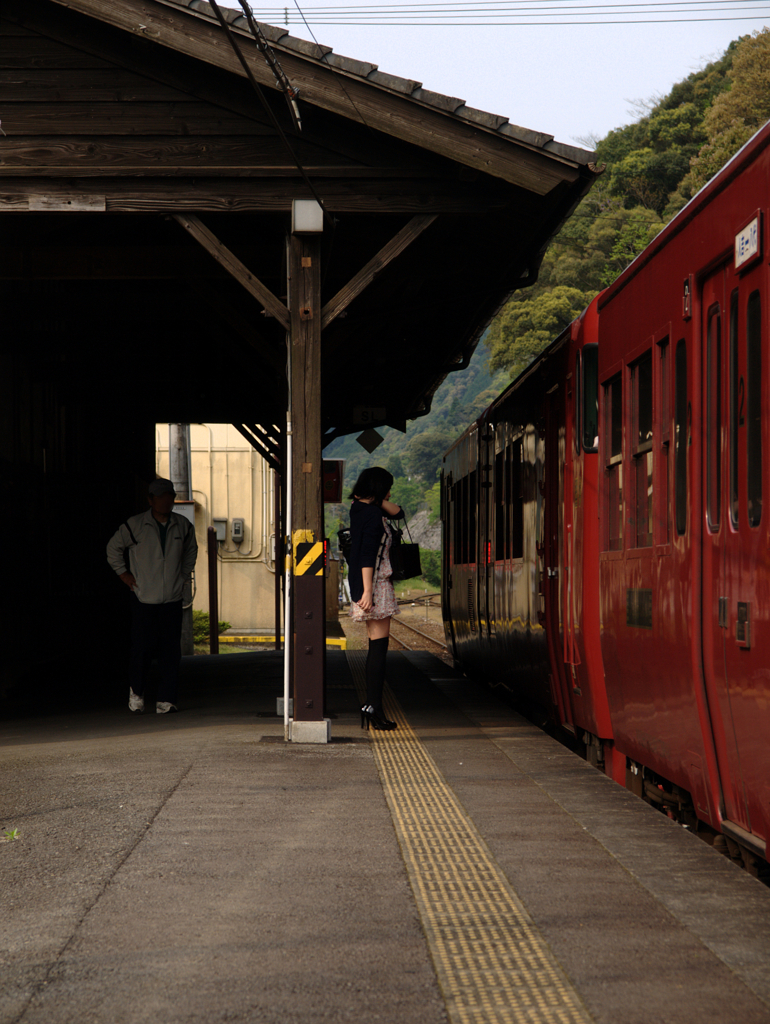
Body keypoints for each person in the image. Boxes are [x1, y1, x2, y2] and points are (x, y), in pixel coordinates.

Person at [106, 478, 198, 714]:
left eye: (169, 496)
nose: (165, 501)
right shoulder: (134, 525)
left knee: (170, 650)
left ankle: (166, 699)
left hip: (172, 598)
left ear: (173, 498)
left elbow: (191, 552)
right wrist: (125, 575)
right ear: (150, 500)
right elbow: (113, 549)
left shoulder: (183, 525)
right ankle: (136, 693)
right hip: (143, 597)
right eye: (159, 497)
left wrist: (183, 576)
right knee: (142, 648)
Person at [347, 467, 404, 731]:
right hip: (376, 584)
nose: (391, 493)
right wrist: (368, 592)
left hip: (370, 582)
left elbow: (399, 512)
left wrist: (377, 498)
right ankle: (373, 706)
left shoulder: (360, 509)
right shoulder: (371, 514)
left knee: (375, 647)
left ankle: (373, 705)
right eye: (387, 488)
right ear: (379, 488)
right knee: (379, 650)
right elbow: (368, 554)